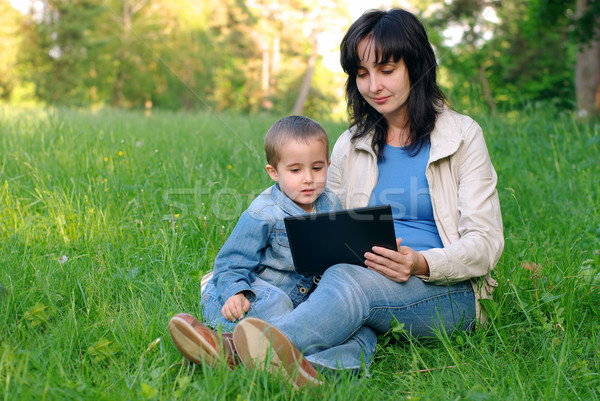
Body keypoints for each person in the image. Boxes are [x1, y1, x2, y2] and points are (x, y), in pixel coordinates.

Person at [230, 7, 504, 386]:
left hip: (447, 291)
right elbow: (316, 214)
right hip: (364, 281)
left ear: (416, 65)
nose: (374, 85)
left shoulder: (462, 136)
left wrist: (421, 263)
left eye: (386, 70)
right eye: (362, 74)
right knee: (351, 304)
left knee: (349, 283)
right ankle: (314, 371)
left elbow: (486, 243)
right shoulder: (351, 143)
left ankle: (237, 351)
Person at [168, 115, 340, 383]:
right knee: (276, 304)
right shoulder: (264, 212)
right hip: (257, 290)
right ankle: (221, 318)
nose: (308, 179)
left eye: (317, 168)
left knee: (342, 321)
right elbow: (232, 261)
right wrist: (235, 291)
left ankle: (286, 359)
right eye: (295, 171)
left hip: (302, 299)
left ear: (328, 165)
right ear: (274, 172)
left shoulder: (331, 205)